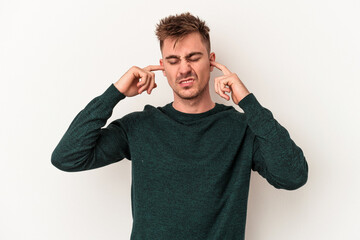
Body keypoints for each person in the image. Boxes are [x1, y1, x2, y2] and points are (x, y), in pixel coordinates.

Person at [52, 12, 308, 240]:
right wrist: (115, 92)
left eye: (193, 57)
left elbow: (293, 175)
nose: (184, 69)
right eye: (173, 60)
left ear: (211, 61)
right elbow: (68, 157)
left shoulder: (242, 129)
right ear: (162, 67)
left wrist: (247, 101)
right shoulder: (139, 127)